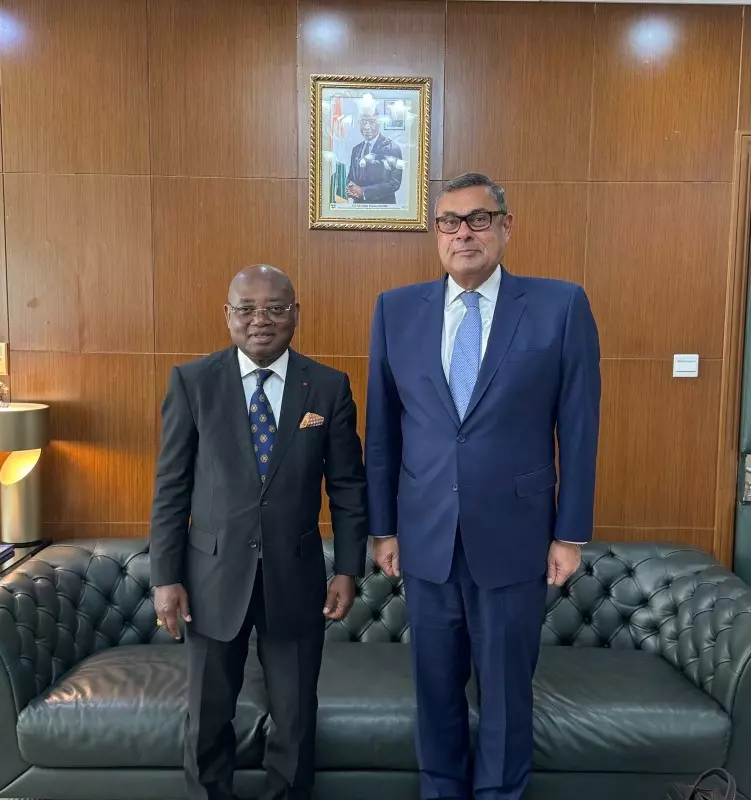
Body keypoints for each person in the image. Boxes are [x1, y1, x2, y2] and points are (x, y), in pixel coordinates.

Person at [365, 173, 601, 800]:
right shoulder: (395, 310)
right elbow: (383, 432)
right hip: (426, 538)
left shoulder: (560, 306)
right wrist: (382, 528)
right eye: (449, 221)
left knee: (505, 694)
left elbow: (579, 429)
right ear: (435, 233)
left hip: (516, 538)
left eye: (478, 219)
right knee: (435, 690)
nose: (463, 233)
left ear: (505, 227)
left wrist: (570, 534)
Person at [149, 265, 368, 800]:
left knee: (295, 719)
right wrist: (166, 577)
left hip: (295, 576)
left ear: (296, 314)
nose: (260, 320)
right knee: (207, 717)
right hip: (211, 577)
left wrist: (347, 569)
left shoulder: (329, 387)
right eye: (246, 309)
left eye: (274, 308)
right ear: (228, 315)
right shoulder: (193, 382)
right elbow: (171, 487)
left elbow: (347, 487)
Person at [346, 108, 403, 204]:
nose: (366, 127)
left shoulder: (393, 148)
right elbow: (351, 177)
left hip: (382, 208)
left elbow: (394, 183)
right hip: (358, 207)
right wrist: (350, 188)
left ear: (379, 123)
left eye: (371, 122)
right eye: (363, 122)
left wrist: (363, 192)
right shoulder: (356, 149)